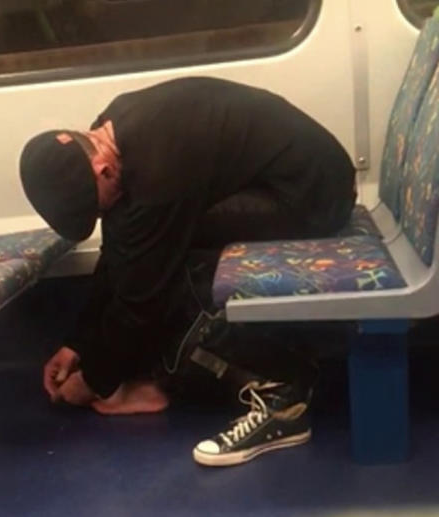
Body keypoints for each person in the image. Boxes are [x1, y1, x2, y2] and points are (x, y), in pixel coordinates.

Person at [19, 77, 356, 466]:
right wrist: (77, 343)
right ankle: (157, 375)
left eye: (96, 209)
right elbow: (118, 250)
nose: (100, 217)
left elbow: (141, 298)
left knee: (168, 257)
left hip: (314, 194)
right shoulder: (111, 134)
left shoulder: (160, 166)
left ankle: (283, 384)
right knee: (146, 242)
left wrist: (94, 381)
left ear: (104, 169)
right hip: (275, 179)